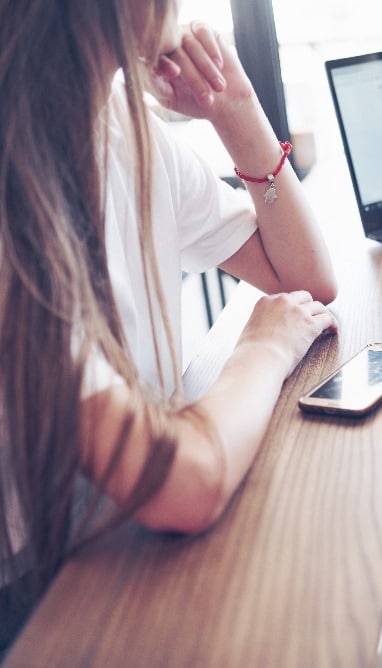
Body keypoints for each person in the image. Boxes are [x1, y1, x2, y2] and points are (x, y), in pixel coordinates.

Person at [0, 0, 338, 636]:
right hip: (29, 583)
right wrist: (261, 348)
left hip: (108, 525)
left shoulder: (121, 124)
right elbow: (185, 486)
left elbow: (305, 279)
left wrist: (237, 115)